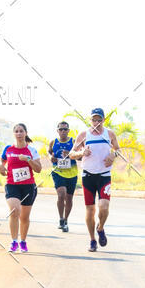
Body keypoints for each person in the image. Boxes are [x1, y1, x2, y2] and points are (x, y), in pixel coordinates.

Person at [70, 108, 120, 252]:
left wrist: (113, 155)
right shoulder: (84, 135)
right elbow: (72, 154)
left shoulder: (109, 134)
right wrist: (81, 152)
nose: (96, 122)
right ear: (90, 120)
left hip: (104, 175)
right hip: (88, 176)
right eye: (94, 120)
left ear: (104, 120)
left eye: (99, 120)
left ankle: (101, 227)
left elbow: (118, 150)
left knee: (104, 207)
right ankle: (92, 240)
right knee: (90, 210)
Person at [0, 123, 42, 252]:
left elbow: (39, 169)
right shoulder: (8, 149)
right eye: (16, 131)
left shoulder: (32, 150)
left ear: (26, 133)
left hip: (28, 186)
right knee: (14, 210)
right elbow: (2, 164)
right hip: (12, 185)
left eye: (21, 131)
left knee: (24, 217)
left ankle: (23, 241)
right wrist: (1, 167)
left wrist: (28, 160)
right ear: (14, 134)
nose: (19, 133)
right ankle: (13, 242)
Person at [48, 121, 77, 232]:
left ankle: (65, 220)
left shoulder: (73, 142)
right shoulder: (53, 142)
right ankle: (60, 218)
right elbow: (49, 153)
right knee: (61, 194)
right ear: (57, 131)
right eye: (61, 129)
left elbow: (79, 157)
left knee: (69, 198)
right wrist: (51, 157)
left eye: (65, 129)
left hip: (72, 173)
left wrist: (70, 155)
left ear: (68, 130)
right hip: (58, 171)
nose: (63, 131)